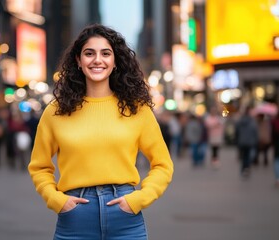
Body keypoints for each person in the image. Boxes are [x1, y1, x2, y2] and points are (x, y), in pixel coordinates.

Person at [28, 23, 174, 240]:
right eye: (89, 53)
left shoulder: (136, 108)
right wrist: (57, 200)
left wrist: (138, 199)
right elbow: (39, 167)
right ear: (78, 60)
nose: (98, 60)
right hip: (75, 218)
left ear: (115, 61)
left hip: (125, 218)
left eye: (106, 53)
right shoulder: (55, 111)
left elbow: (163, 165)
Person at [235, 107, 258, 178]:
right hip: (250, 141)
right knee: (248, 155)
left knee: (244, 155)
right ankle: (246, 168)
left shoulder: (240, 121)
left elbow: (237, 131)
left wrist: (237, 139)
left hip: (242, 141)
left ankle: (244, 168)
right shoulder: (252, 121)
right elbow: (255, 132)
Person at [271, 111, 279, 187]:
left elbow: (272, 134)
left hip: (277, 144)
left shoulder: (274, 122)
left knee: (277, 160)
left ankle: (277, 178)